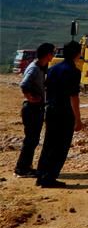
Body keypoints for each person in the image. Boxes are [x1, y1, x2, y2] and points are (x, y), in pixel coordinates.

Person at [36, 41, 83, 188]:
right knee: (61, 146)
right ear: (77, 54)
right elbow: (73, 97)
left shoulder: (53, 69)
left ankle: (41, 176)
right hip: (64, 112)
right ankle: (50, 178)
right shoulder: (74, 71)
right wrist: (78, 119)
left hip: (50, 109)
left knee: (49, 143)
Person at [14, 42, 55, 177]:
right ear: (47, 54)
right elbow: (24, 85)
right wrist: (31, 98)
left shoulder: (42, 67)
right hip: (31, 108)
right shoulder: (34, 68)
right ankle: (22, 168)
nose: (53, 55)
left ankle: (26, 166)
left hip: (36, 108)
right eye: (52, 53)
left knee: (33, 139)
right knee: (31, 139)